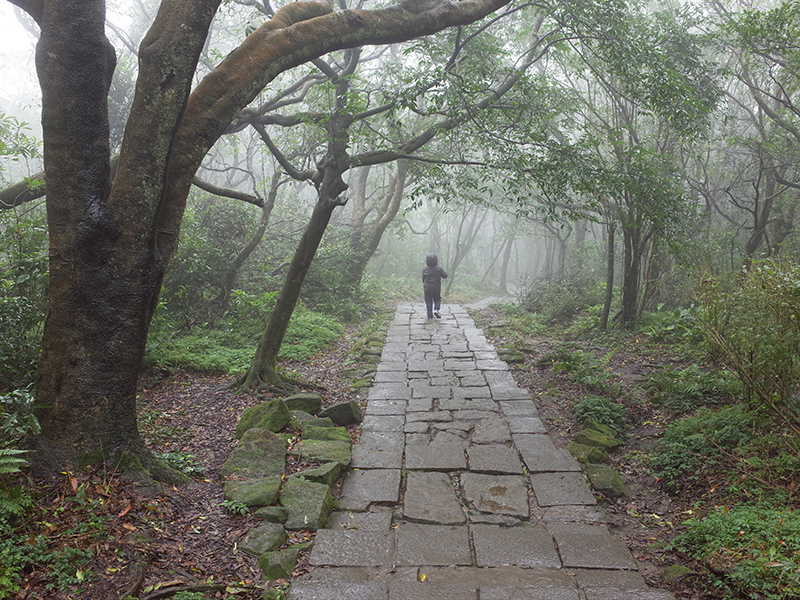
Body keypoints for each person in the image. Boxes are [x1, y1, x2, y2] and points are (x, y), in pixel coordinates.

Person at [422, 253, 448, 319]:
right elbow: (445, 276)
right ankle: (436, 309)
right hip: (436, 288)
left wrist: (425, 285)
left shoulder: (425, 269)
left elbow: (423, 279)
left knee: (428, 301)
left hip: (427, 288)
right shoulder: (439, 268)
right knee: (437, 299)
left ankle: (430, 316)